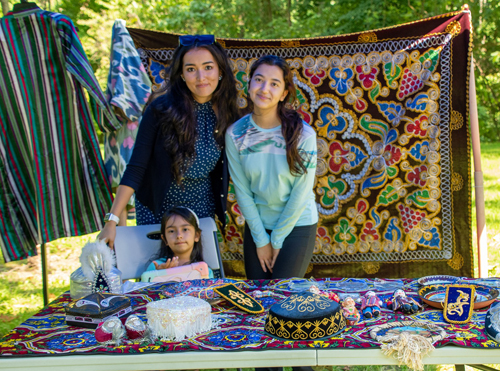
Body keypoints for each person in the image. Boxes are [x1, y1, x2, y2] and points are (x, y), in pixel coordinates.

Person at [98, 35, 239, 249]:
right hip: (158, 213)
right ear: (181, 74)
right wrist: (112, 220)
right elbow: (136, 167)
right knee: (157, 278)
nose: (201, 77)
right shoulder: (160, 109)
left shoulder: (228, 113)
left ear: (220, 71)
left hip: (200, 214)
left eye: (208, 67)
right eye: (191, 69)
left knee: (201, 278)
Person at [225, 55, 318, 280]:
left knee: (283, 296)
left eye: (274, 84)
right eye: (259, 80)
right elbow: (242, 190)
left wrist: (276, 239)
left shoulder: (303, 135)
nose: (264, 88)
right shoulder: (235, 134)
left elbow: (301, 191)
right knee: (258, 297)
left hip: (297, 224)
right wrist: (261, 240)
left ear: (284, 93)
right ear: (249, 85)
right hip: (258, 227)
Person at [143, 206, 214, 278]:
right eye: (171, 231)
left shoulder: (204, 271)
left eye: (185, 229)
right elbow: (146, 288)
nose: (179, 236)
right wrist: (160, 276)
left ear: (196, 235)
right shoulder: (155, 267)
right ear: (165, 239)